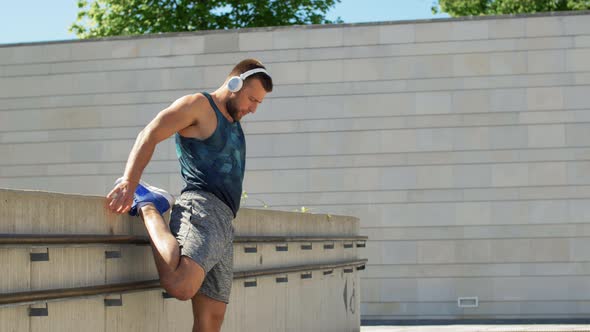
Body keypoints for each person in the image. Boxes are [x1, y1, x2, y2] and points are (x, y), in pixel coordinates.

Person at [105, 58, 273, 332]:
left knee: (212, 319)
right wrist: (129, 182)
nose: (253, 108)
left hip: (224, 222)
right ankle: (149, 204)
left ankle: (151, 203)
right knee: (180, 285)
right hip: (202, 207)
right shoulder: (198, 106)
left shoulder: (233, 120)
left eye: (259, 103)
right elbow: (150, 134)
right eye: (251, 99)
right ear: (234, 84)